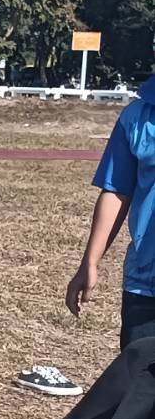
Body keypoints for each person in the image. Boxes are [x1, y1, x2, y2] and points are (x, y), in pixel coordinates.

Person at [68, 73, 155, 348]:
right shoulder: (136, 117)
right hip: (146, 285)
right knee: (139, 369)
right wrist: (90, 261)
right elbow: (117, 190)